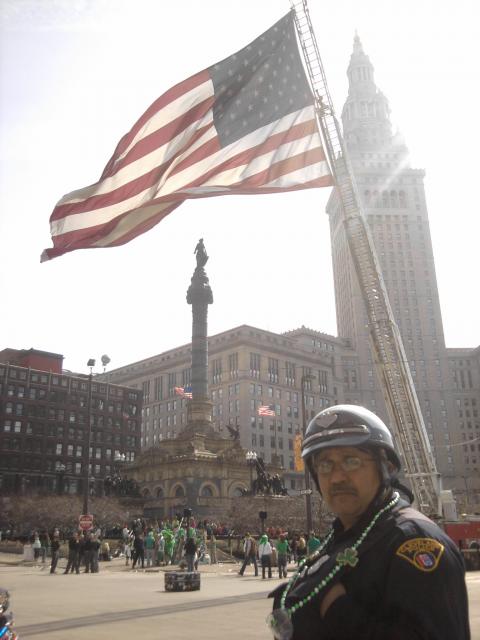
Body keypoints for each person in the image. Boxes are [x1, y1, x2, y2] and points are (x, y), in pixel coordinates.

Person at [268, 404, 470, 640]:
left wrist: (340, 613)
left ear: (387, 468)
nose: (336, 477)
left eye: (351, 461)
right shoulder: (341, 537)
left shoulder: (414, 541)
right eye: (325, 465)